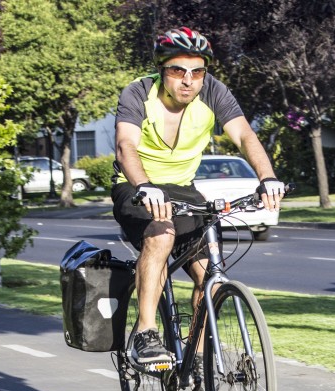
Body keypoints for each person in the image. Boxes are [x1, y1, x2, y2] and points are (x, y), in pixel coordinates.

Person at [111, 26, 284, 366]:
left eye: (197, 71)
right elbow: (125, 145)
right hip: (136, 185)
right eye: (178, 71)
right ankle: (146, 332)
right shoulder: (138, 93)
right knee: (161, 236)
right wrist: (144, 186)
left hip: (184, 189)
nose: (188, 80)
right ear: (163, 71)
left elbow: (246, 135)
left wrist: (267, 177)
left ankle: (198, 355)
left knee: (212, 275)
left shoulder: (214, 92)